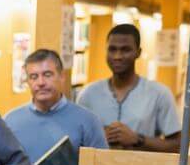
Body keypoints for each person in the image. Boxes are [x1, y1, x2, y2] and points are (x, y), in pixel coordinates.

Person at [4, 49, 107, 165]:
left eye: (47, 75)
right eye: (34, 77)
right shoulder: (10, 120)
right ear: (27, 81)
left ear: (62, 76)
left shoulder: (88, 120)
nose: (40, 82)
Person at [78, 24, 181, 152]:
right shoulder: (88, 94)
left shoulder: (159, 94)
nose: (117, 56)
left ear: (138, 52)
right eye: (112, 49)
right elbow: (76, 140)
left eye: (125, 50)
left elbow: (178, 145)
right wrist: (96, 137)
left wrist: (138, 139)